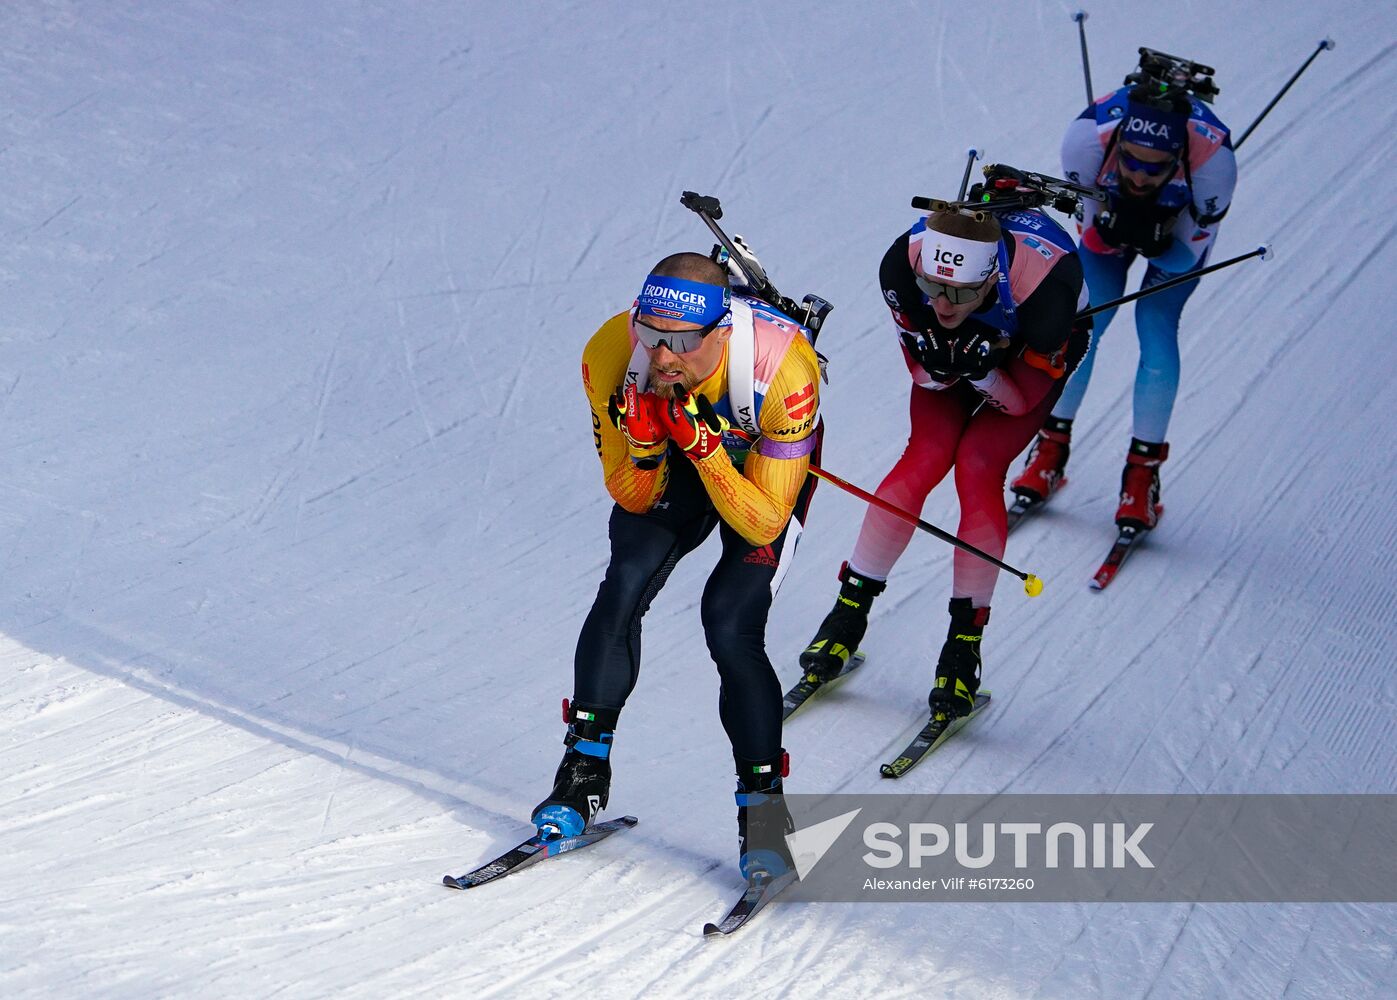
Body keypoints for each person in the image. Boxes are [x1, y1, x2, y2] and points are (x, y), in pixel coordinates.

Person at [532, 250, 822, 881]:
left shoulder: (783, 370)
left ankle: (764, 815)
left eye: (682, 342)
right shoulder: (612, 350)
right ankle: (582, 772)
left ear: (719, 332)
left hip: (759, 476)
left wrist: (707, 449)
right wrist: (642, 445)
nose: (662, 357)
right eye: (652, 334)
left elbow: (763, 522)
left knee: (730, 622)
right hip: (679, 453)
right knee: (623, 583)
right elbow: (631, 496)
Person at [801, 204, 1088, 719]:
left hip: (1030, 352)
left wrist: (982, 373)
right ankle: (846, 615)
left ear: (992, 277)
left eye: (958, 292)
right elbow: (923, 372)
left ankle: (963, 648)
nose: (942, 304)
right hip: (980, 345)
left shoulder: (1045, 295)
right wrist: (943, 366)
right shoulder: (902, 270)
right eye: (933, 287)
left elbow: (1019, 402)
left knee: (978, 466)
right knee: (927, 455)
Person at [1013, 82, 1236, 529]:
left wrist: (1153, 240)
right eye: (1130, 160)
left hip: (1176, 238)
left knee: (1155, 324)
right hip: (1108, 226)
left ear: (1178, 157)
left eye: (1154, 168)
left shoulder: (1214, 165)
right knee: (1081, 325)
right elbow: (1090, 230)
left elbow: (1188, 252)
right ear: (1117, 141)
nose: (1138, 176)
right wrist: (1113, 232)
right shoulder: (1085, 141)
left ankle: (1142, 478)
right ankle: (1049, 449)